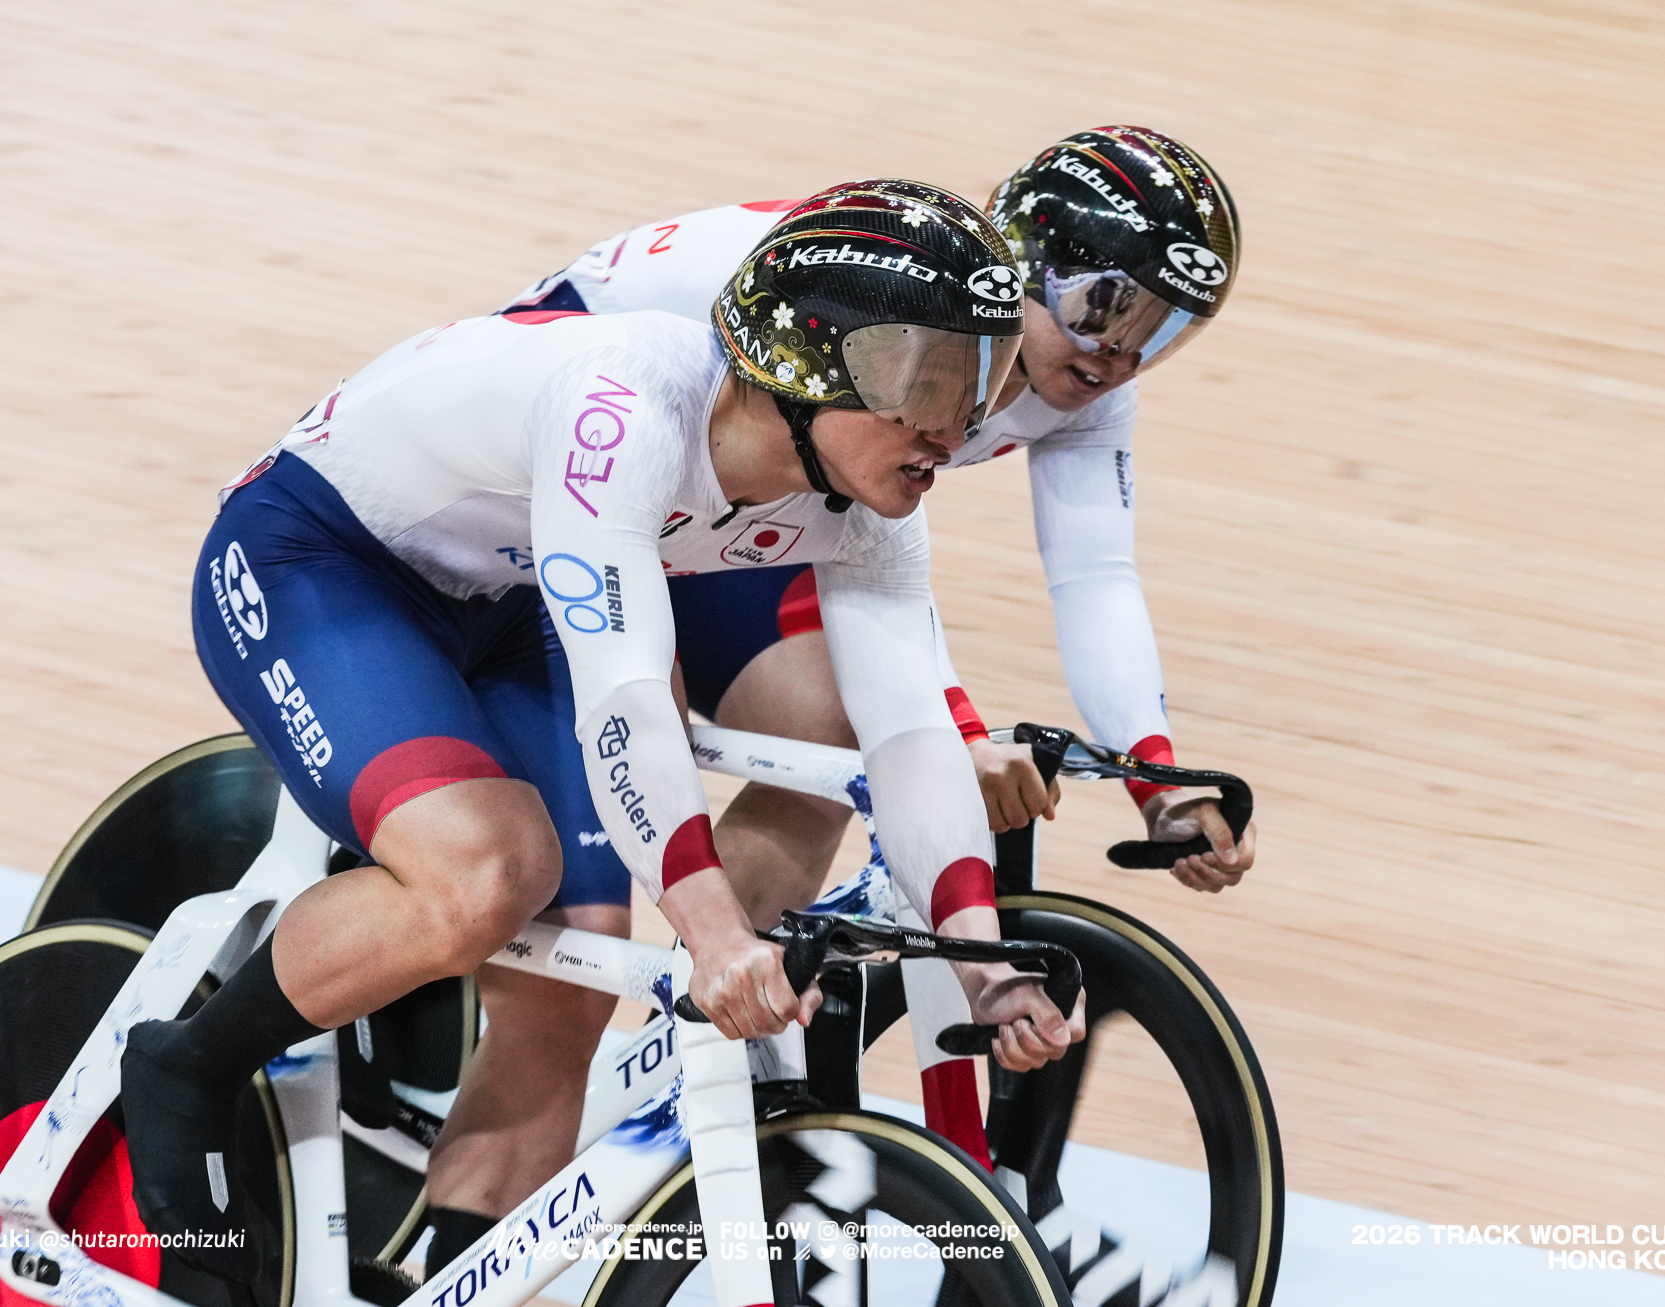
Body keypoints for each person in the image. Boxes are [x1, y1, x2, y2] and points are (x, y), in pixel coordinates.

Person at [121, 179, 1083, 1283]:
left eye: (980, 379)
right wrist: (716, 934)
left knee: (570, 975)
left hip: (513, 590)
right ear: (806, 365)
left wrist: (980, 963)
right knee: (488, 874)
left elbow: (908, 737)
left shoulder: (869, 505)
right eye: (927, 381)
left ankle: (451, 1270)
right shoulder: (624, 406)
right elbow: (625, 702)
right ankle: (191, 1063)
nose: (957, 427)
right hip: (322, 560)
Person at [502, 127, 1260, 929]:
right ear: (1025, 261)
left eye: (1158, 331)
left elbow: (1096, 578)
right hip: (579, 449)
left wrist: (1156, 778)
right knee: (634, 753)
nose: (1117, 356)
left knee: (834, 738)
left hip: (738, 492)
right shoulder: (900, 317)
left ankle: (721, 995)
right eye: (1101, 308)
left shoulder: (1085, 388)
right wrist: (962, 733)